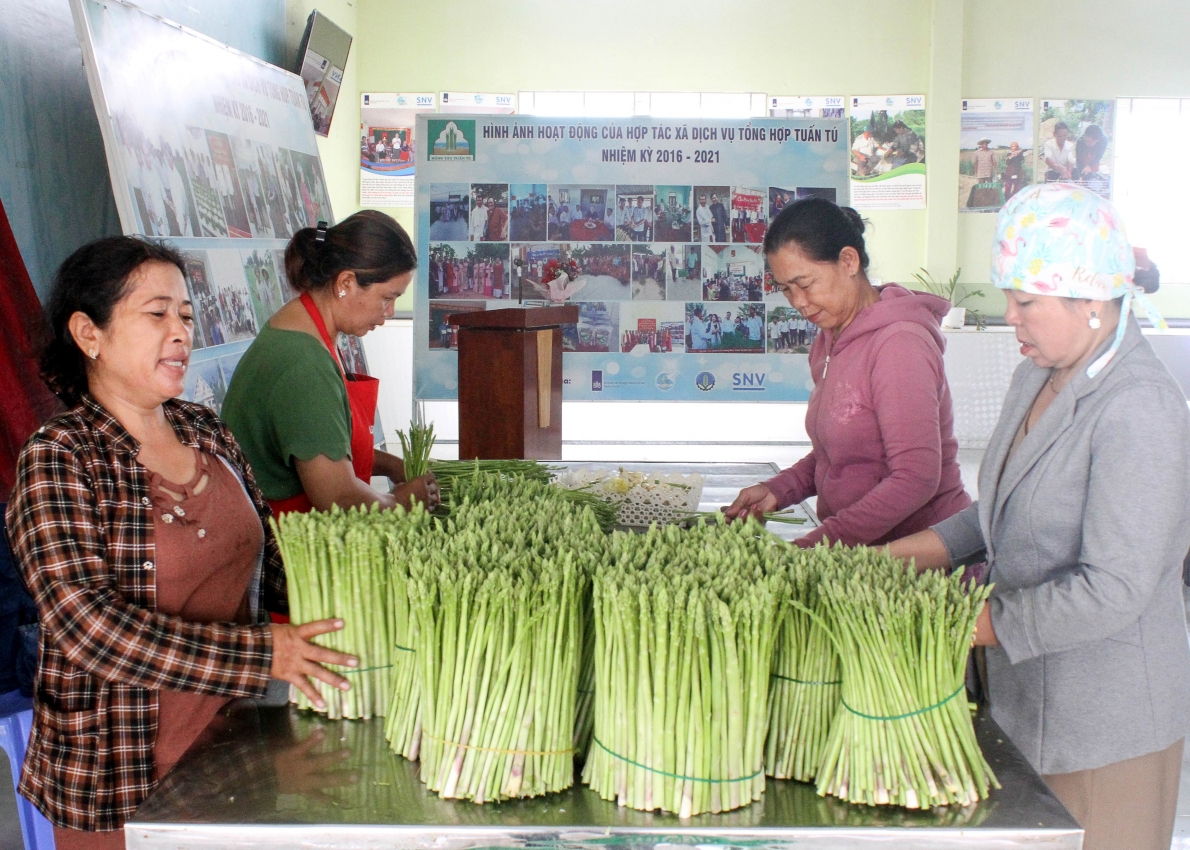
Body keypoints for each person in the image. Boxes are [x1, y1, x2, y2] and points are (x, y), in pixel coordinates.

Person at [6, 237, 359, 847]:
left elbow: (269, 565)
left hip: (235, 747)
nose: (180, 331)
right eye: (157, 313)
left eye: (187, 315)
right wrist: (261, 655)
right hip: (119, 779)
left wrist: (364, 589)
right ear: (89, 334)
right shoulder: (60, 457)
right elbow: (88, 628)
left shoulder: (204, 429)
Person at [887, 184, 1188, 850]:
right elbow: (995, 513)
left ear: (1090, 301)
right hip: (1024, 700)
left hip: (1104, 724)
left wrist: (970, 624)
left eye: (1026, 302)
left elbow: (1114, 589)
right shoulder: (1039, 374)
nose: (1010, 317)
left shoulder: (1140, 409)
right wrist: (892, 559)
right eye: (1009, 299)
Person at [725, 197, 970, 547]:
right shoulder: (830, 339)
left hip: (916, 559)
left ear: (848, 261)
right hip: (861, 553)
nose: (798, 302)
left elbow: (916, 477)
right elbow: (841, 453)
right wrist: (779, 489)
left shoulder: (900, 343)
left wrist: (822, 546)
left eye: (806, 283)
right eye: (786, 290)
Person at [222, 212, 438, 519]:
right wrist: (401, 502)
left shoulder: (302, 327)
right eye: (387, 298)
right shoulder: (304, 362)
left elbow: (322, 443)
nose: (389, 312)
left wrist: (393, 466)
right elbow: (336, 497)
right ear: (346, 282)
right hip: (284, 546)